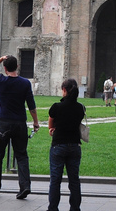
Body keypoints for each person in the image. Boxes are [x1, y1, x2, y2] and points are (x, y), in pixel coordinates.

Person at [0, 54, 39, 199]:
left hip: (4, 122)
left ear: (4, 68)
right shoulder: (25, 83)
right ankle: (25, 186)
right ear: (17, 67)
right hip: (20, 123)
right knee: (21, 155)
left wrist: (1, 58)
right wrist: (35, 122)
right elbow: (31, 106)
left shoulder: (1, 80)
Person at [47, 78, 85, 211]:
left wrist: (51, 129)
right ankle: (75, 208)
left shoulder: (56, 107)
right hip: (74, 145)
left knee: (55, 180)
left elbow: (50, 122)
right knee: (74, 180)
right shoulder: (80, 108)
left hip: (59, 145)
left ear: (64, 90)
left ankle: (53, 208)